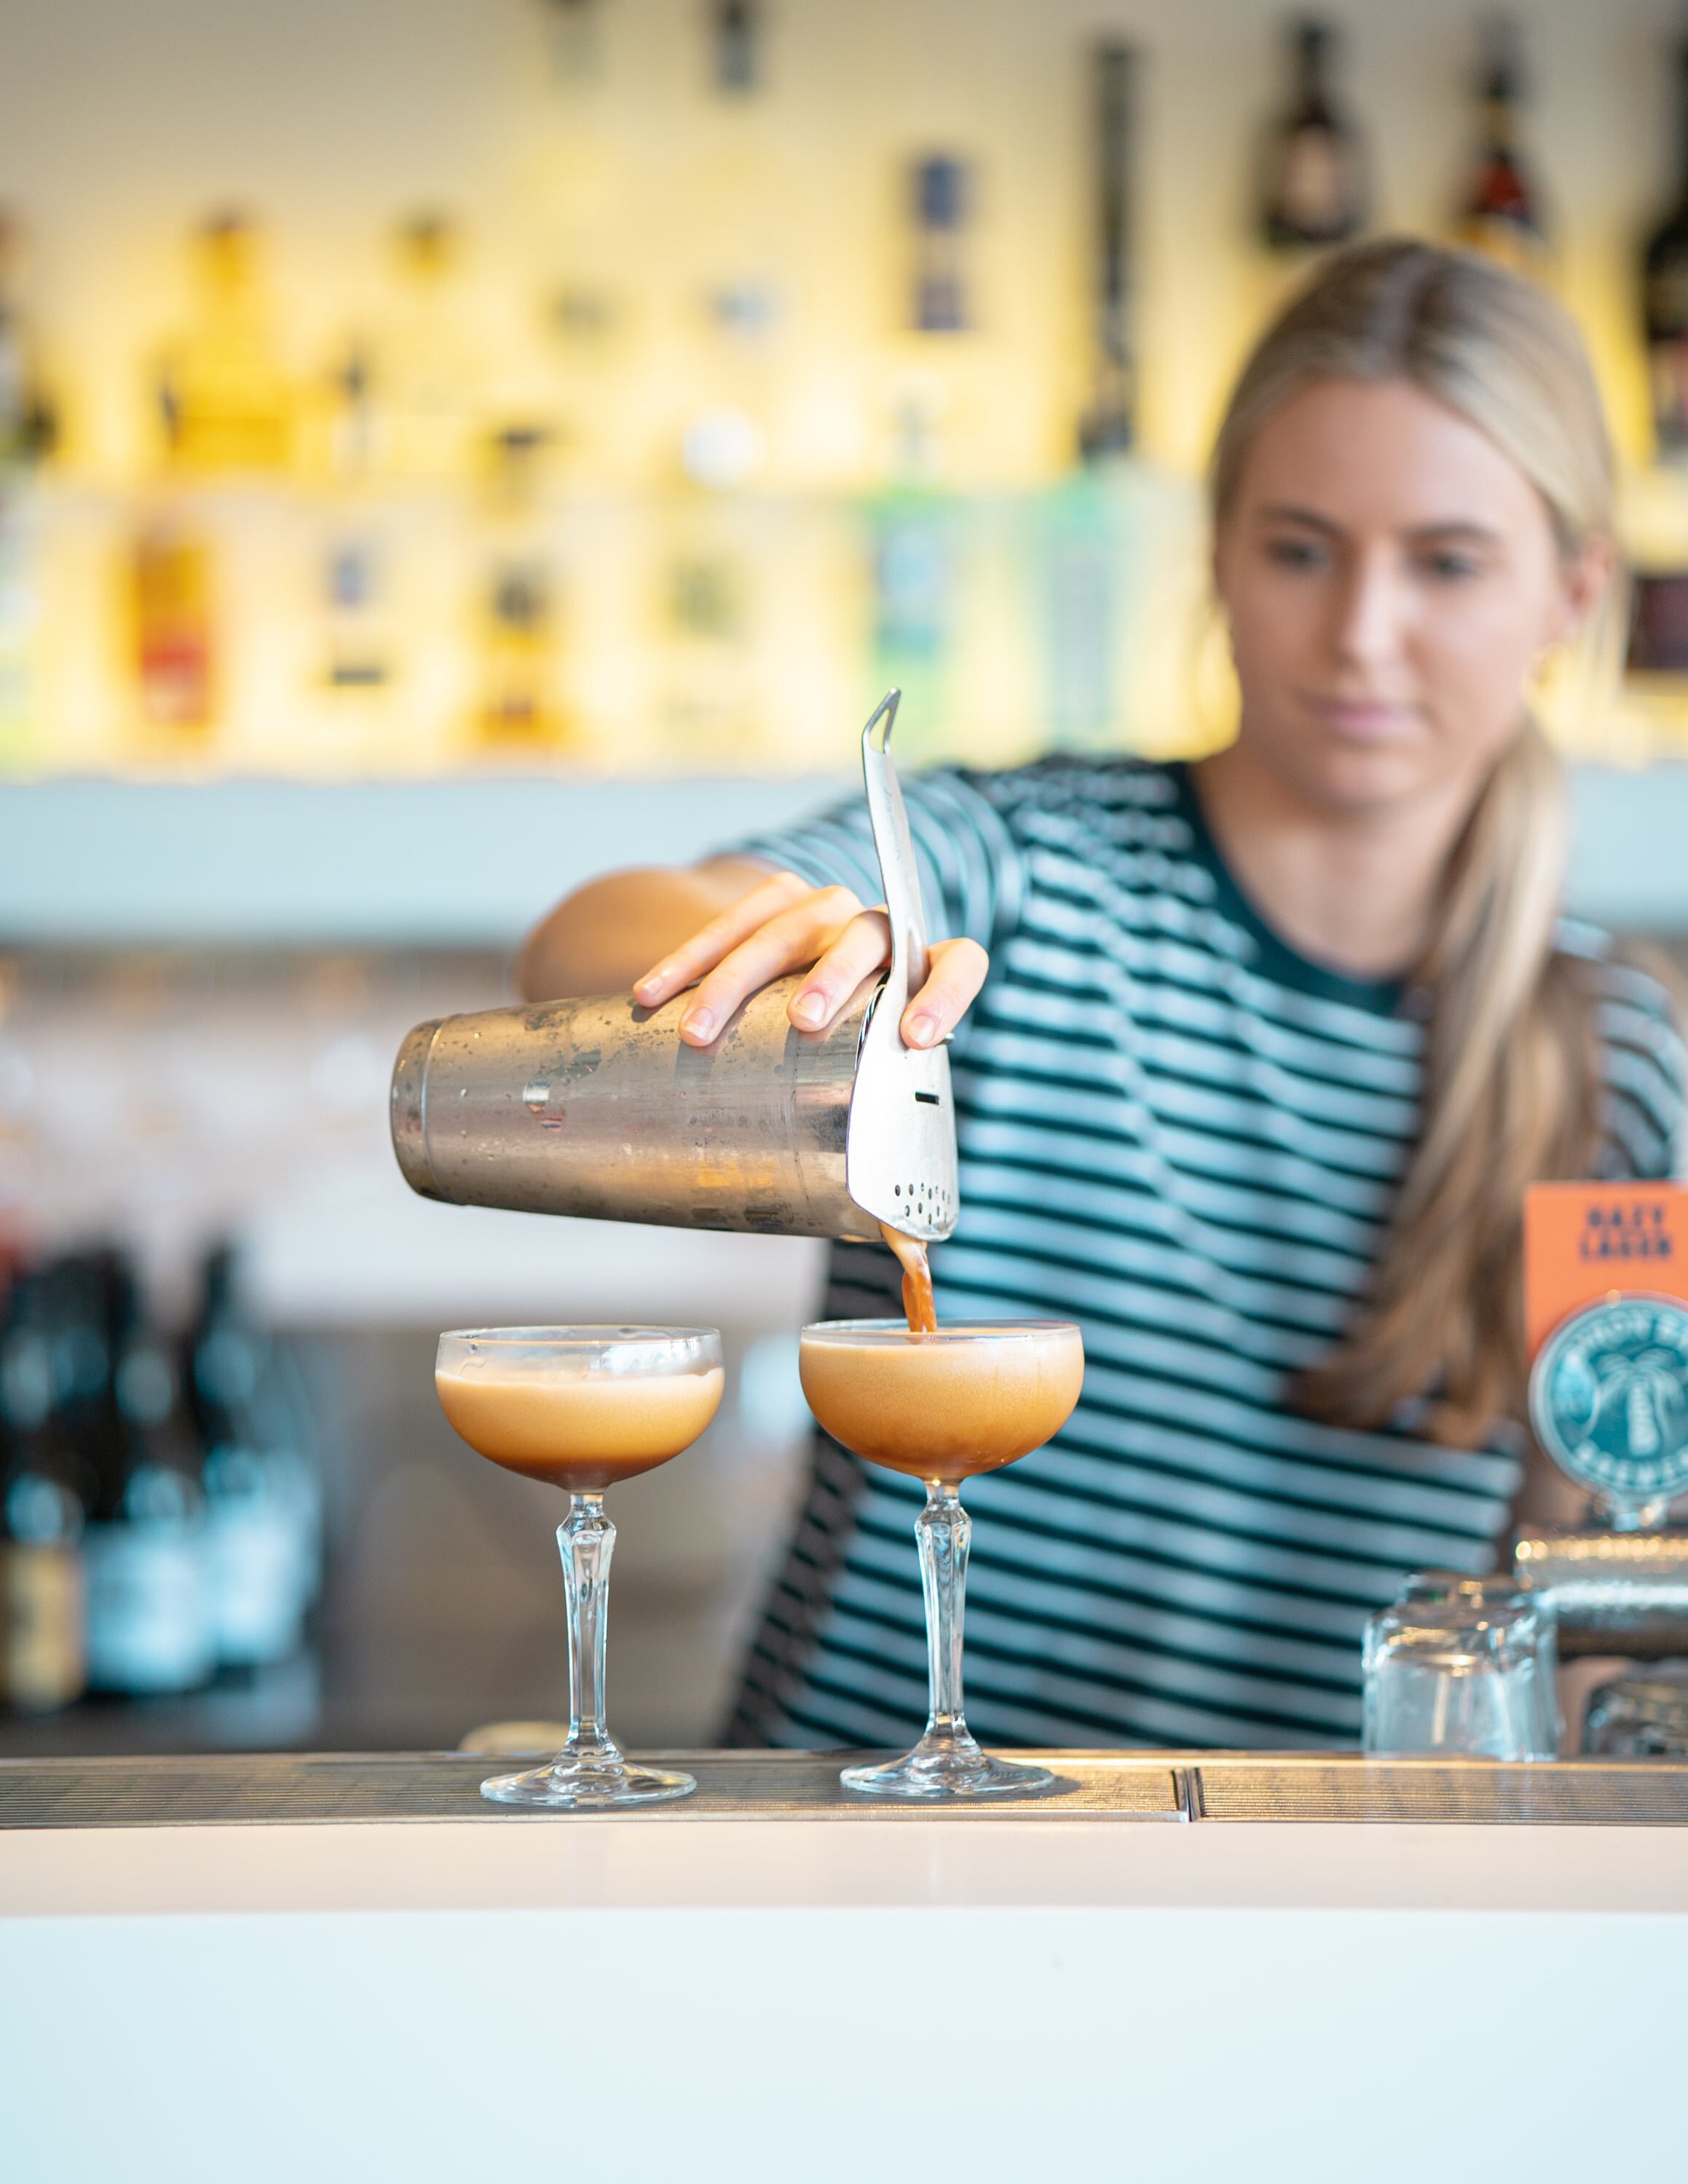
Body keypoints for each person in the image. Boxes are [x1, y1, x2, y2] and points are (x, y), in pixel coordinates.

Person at [521, 240, 1684, 1751]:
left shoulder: (1615, 1056)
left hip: (1326, 1899)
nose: (1360, 635)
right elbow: (588, 938)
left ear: (1568, 594)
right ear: (1214, 554)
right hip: (869, 1856)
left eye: (1447, 563)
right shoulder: (1014, 874)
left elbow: (1592, 1605)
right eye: (1300, 548)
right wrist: (797, 954)